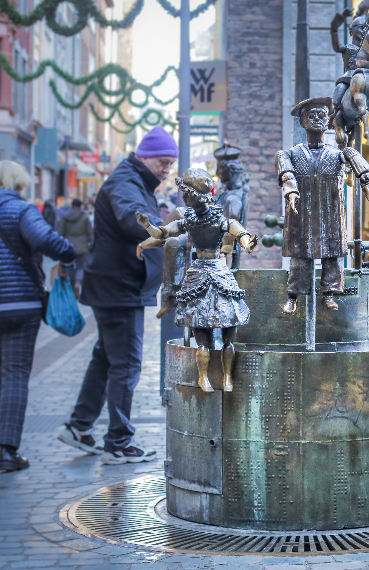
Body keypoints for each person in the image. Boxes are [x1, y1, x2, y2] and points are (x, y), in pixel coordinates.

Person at [58, 125, 175, 464]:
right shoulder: (126, 182)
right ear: (144, 157)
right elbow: (131, 217)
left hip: (113, 285)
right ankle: (119, 442)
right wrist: (165, 229)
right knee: (125, 364)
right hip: (118, 287)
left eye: (170, 164)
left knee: (106, 359)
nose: (166, 170)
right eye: (163, 163)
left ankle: (79, 426)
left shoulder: (133, 179)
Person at [0, 161, 76, 472]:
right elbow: (45, 241)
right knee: (15, 373)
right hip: (17, 303)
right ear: (17, 183)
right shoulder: (21, 210)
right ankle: (8, 451)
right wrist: (69, 251)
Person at [137, 167, 258, 393]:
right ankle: (205, 377)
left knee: (225, 325)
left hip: (209, 271)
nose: (184, 198)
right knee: (202, 326)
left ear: (194, 196)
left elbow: (237, 230)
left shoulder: (212, 218)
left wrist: (246, 242)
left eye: (186, 194)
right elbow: (163, 233)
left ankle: (225, 377)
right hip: (205, 272)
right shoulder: (189, 219)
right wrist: (148, 226)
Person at [276, 97, 369, 314]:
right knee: (300, 257)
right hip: (303, 213)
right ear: (302, 121)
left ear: (328, 120)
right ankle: (293, 296)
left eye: (322, 115)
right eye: (312, 115)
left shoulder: (340, 154)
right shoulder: (289, 154)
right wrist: (290, 191)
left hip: (330, 213)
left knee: (333, 256)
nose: (317, 119)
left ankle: (329, 293)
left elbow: (363, 174)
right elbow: (286, 175)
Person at [56, 198, 93, 297]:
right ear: (81, 207)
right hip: (83, 247)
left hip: (69, 247)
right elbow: (91, 233)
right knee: (81, 267)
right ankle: (78, 284)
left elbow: (60, 233)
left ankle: (72, 288)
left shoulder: (65, 218)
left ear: (71, 206)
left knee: (71, 268)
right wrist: (91, 243)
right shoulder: (84, 218)